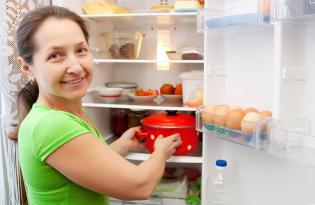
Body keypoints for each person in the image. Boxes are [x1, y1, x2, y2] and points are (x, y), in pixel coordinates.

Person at [14, 5, 182, 205]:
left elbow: (83, 166)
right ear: (26, 67)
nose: (76, 67)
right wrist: (160, 151)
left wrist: (121, 145)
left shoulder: (65, 113)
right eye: (55, 55)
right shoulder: (52, 125)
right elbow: (140, 186)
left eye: (80, 50)